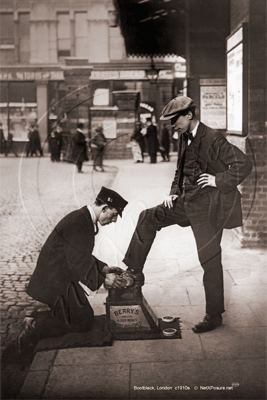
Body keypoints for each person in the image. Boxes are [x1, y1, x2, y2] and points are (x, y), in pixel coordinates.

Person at [122, 96, 252, 333]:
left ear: (189, 115)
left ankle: (214, 316)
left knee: (210, 261)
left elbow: (244, 163)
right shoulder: (183, 137)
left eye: (175, 120)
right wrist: (173, 192)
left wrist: (218, 180)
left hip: (207, 209)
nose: (173, 125)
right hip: (184, 202)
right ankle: (133, 271)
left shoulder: (213, 138)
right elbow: (179, 170)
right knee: (147, 217)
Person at [17, 187, 128, 355]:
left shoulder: (83, 218)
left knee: (85, 318)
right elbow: (77, 263)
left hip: (60, 278)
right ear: (104, 207)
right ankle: (34, 327)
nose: (114, 220)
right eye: (113, 215)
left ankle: (35, 317)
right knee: (82, 322)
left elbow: (80, 254)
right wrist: (105, 280)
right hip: (52, 283)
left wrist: (103, 269)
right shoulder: (79, 222)